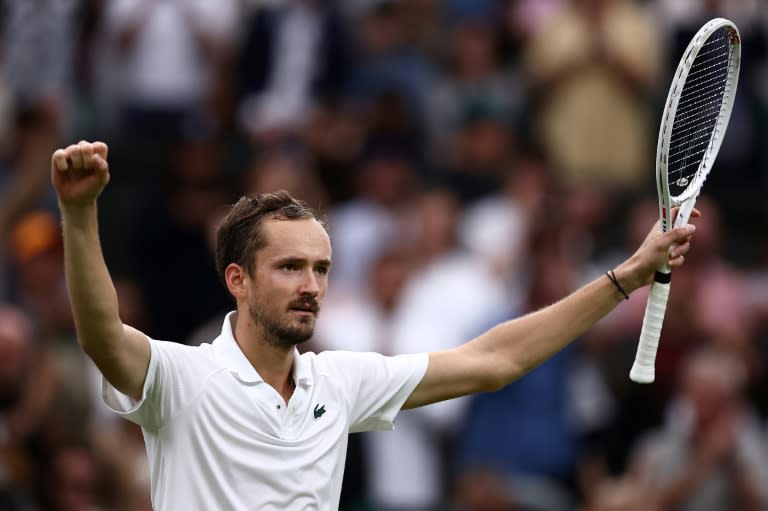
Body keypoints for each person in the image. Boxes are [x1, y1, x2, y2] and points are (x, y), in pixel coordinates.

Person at [51, 140, 697, 510]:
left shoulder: (340, 379)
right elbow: (103, 335)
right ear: (237, 280)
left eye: (322, 268)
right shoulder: (184, 377)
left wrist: (626, 277)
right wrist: (80, 215)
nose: (311, 286)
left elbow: (494, 360)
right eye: (290, 267)